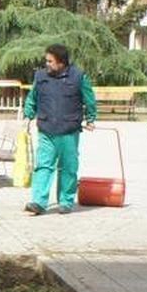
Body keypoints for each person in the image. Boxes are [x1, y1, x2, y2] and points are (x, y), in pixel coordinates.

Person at [21, 43, 97, 215]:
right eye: (46, 60)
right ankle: (38, 202)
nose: (47, 64)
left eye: (50, 61)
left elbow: (89, 98)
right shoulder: (40, 76)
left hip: (69, 130)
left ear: (61, 63)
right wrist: (28, 115)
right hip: (46, 129)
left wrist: (91, 117)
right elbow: (32, 98)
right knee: (43, 166)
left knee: (68, 167)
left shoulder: (78, 77)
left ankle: (65, 201)